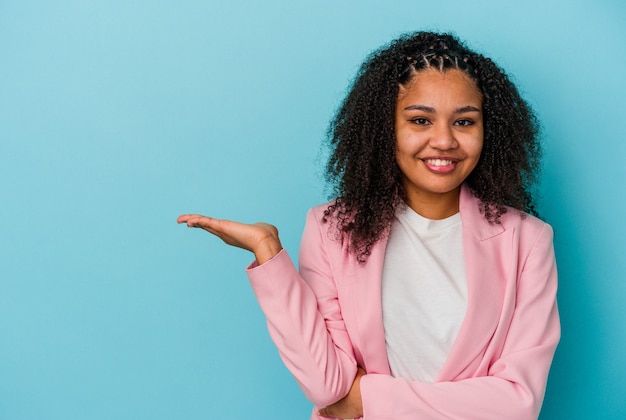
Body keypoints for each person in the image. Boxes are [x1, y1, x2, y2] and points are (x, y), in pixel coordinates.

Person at [178, 31, 560, 419]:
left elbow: (517, 403)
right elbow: (327, 386)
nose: (443, 140)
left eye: (464, 121)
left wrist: (370, 398)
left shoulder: (527, 241)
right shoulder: (332, 229)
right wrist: (268, 252)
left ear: (488, 131)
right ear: (384, 128)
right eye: (420, 120)